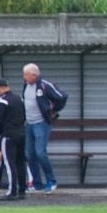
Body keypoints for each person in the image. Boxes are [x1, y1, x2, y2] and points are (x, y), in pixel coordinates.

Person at [21, 63, 68, 194]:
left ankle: (51, 181)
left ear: (34, 75)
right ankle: (36, 183)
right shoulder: (26, 85)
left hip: (41, 123)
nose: (24, 77)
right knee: (29, 154)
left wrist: (53, 110)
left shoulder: (45, 85)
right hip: (29, 124)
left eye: (26, 74)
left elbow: (62, 96)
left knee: (40, 153)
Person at [0, 78, 27, 202]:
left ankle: (12, 192)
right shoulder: (19, 99)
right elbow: (24, 116)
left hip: (8, 136)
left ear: (1, 88)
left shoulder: (2, 101)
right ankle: (22, 190)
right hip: (22, 134)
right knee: (20, 163)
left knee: (9, 163)